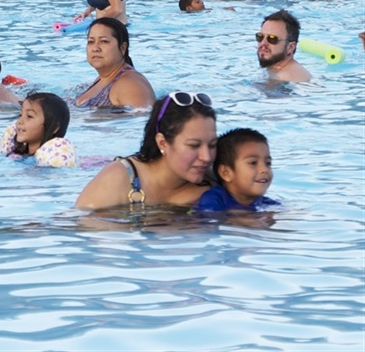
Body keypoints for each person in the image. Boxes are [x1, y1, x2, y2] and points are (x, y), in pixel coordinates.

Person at [75, 92, 217, 210]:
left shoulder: (216, 184)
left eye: (212, 145)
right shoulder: (120, 179)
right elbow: (80, 229)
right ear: (163, 143)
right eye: (194, 145)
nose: (206, 157)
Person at [75, 18, 155, 109]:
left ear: (122, 48)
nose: (95, 48)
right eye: (91, 42)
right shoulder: (103, 79)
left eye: (104, 41)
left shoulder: (129, 85)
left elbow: (144, 120)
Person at [194, 128, 280, 213]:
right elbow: (207, 220)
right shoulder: (214, 199)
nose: (264, 169)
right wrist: (237, 219)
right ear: (226, 173)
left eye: (268, 163)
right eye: (253, 163)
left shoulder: (265, 203)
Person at [0, 93, 77, 167]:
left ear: (54, 128)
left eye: (29, 116)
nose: (20, 121)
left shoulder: (55, 157)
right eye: (20, 115)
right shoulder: (14, 154)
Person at [256, 9, 310, 82]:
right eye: (260, 36)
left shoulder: (284, 77)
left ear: (290, 47)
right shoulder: (278, 70)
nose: (263, 43)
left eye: (272, 38)